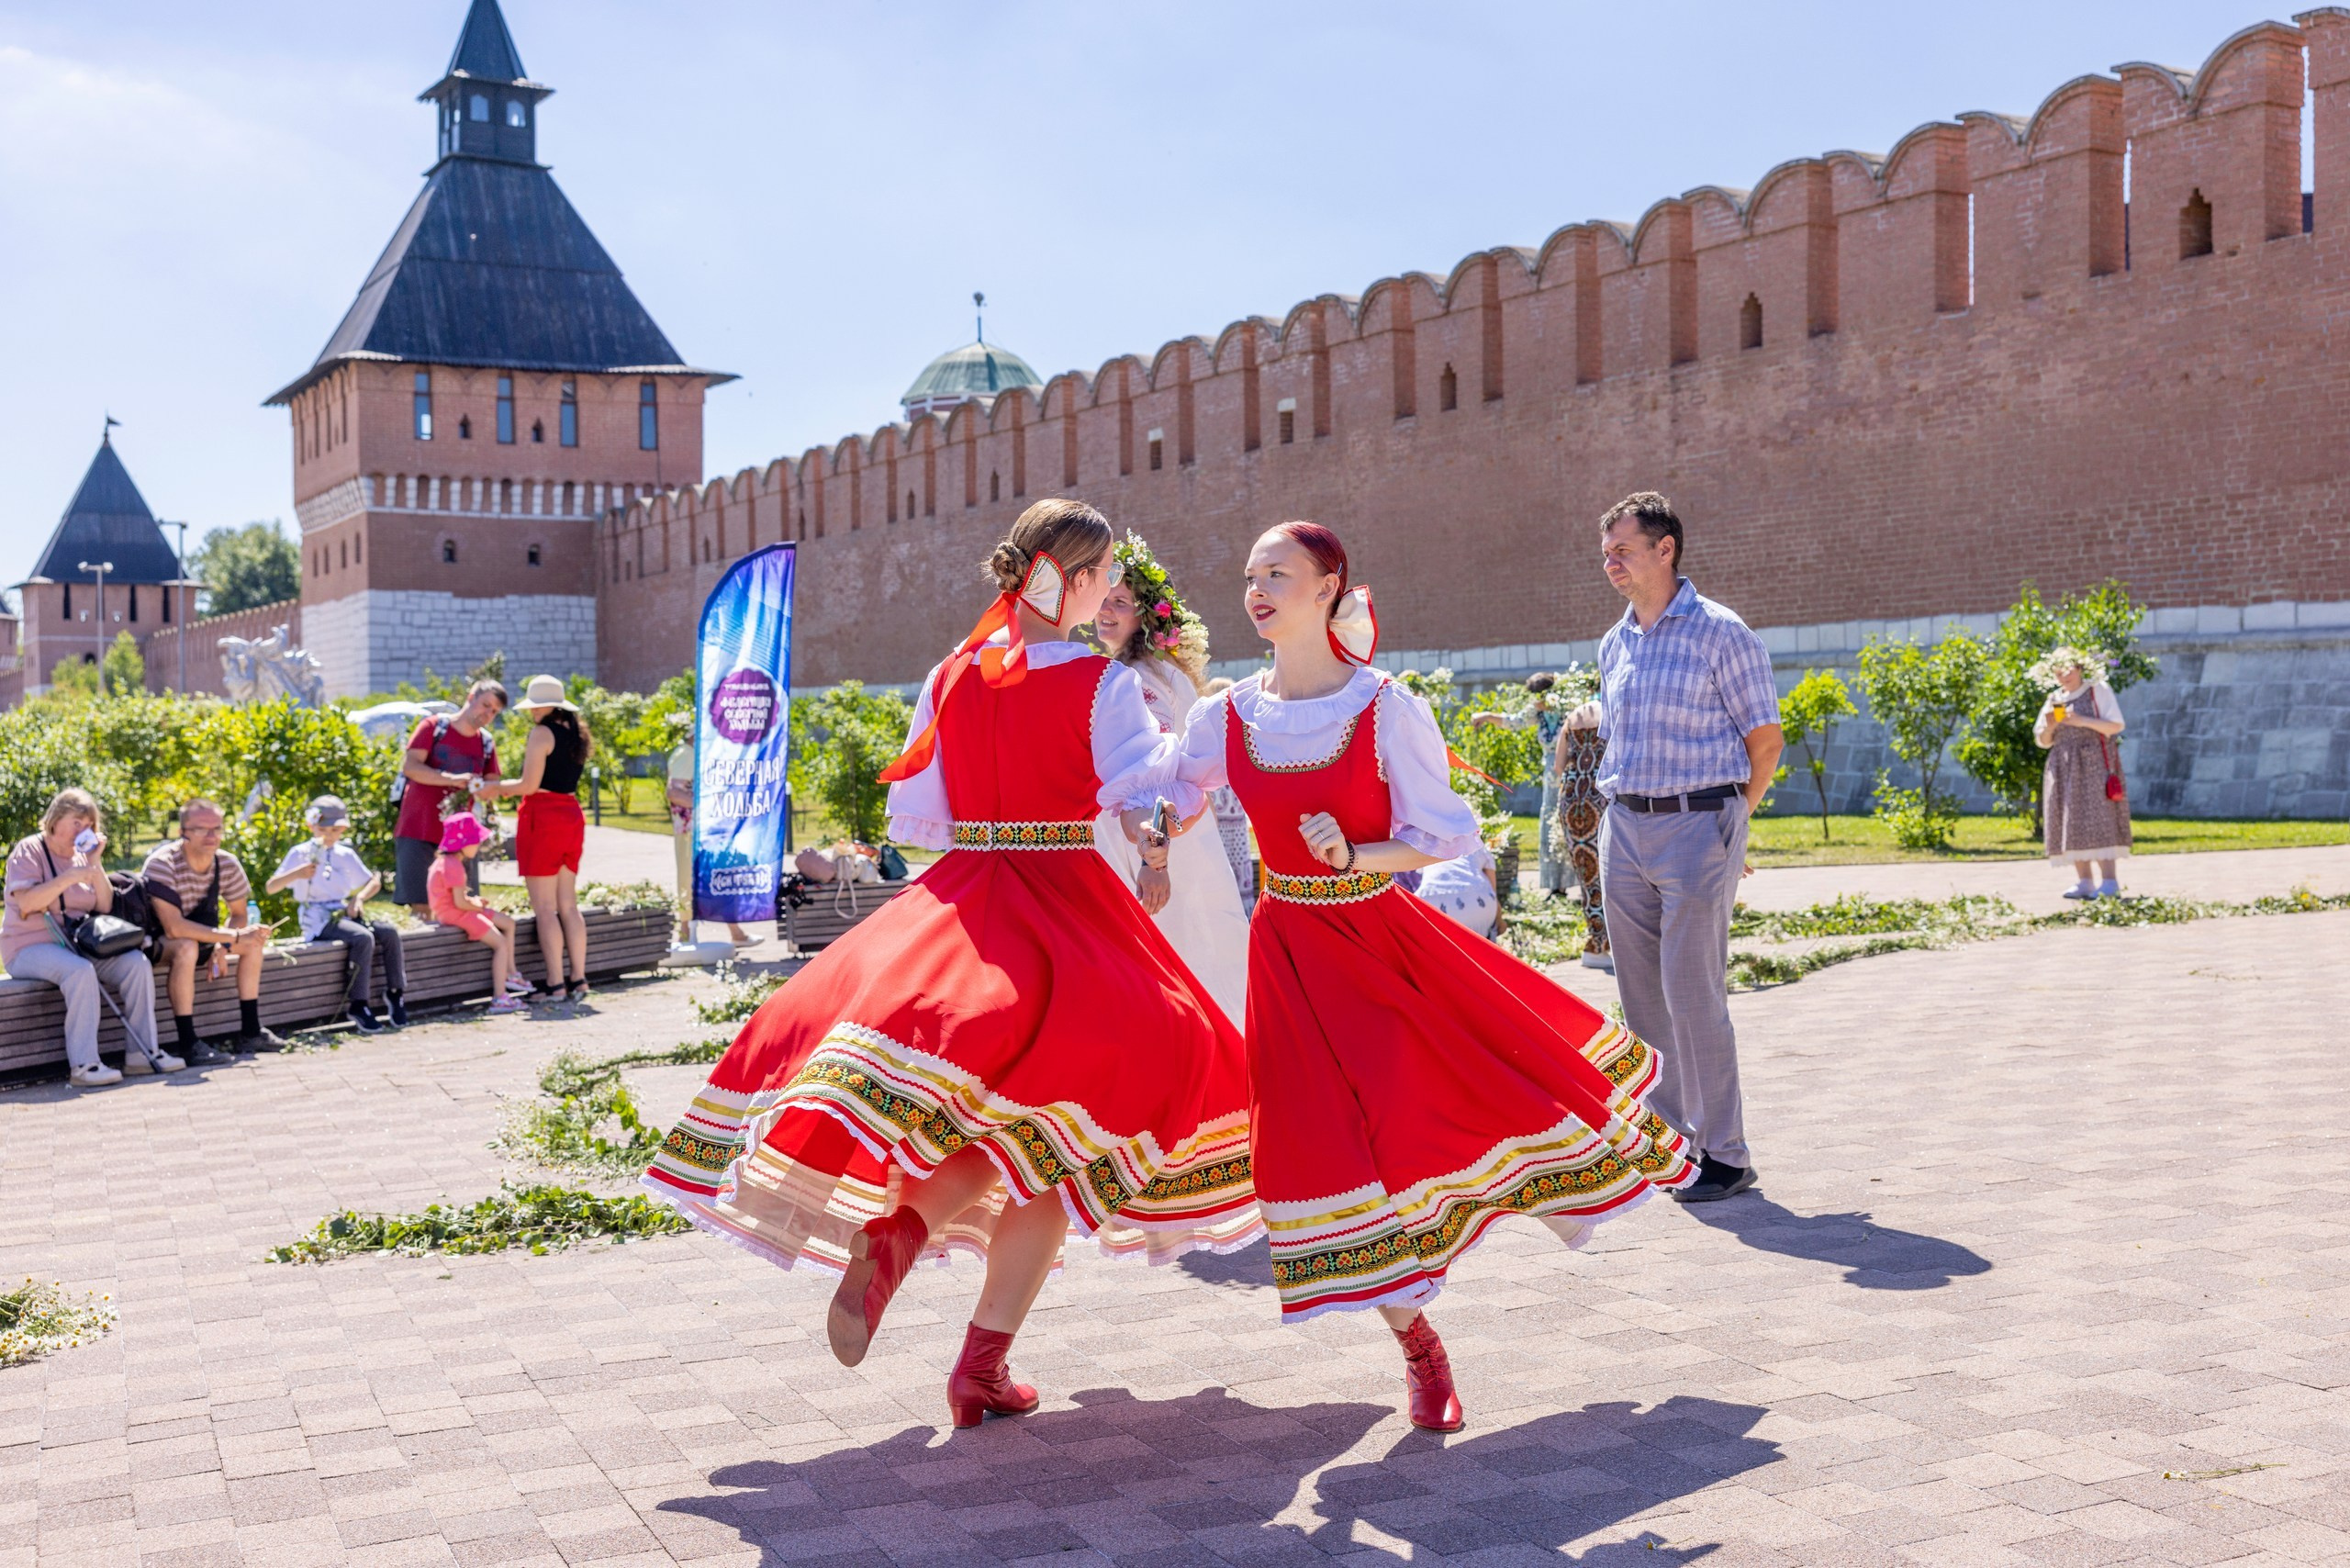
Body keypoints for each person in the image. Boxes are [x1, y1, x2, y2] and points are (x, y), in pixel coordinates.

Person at [642, 498, 1258, 1430]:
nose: (1105, 597)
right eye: (1100, 579)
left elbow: (925, 818)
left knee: (1009, 1124)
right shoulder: (1101, 682)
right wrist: (1169, 819)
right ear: (1069, 579)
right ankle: (979, 1361)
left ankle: (905, 1238)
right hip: (1066, 904)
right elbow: (1143, 794)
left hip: (963, 905)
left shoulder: (952, 674)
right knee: (1094, 1115)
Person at [1170, 521, 1695, 1432]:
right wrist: (1145, 822)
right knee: (1321, 1148)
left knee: (1418, 1112)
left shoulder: (1383, 706)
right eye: (1251, 575)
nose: (1257, 589)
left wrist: (1359, 852)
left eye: (1278, 574)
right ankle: (1419, 1346)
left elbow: (1445, 835)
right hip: (1285, 954)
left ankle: (1490, 1225)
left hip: (1375, 943)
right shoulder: (1225, 716)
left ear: (1328, 588)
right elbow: (1173, 795)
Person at [1593, 492, 1783, 1204]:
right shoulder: (1614, 643)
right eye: (1606, 553)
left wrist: (1730, 827)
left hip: (1697, 824)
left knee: (1693, 993)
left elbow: (1766, 742)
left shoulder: (1721, 633)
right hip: (1624, 828)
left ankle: (1726, 1155)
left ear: (1664, 548)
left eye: (1623, 550)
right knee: (1641, 997)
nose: (1611, 563)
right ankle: (1671, 1143)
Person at [1086, 532, 1249, 1024]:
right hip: (1160, 834)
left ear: (1145, 617)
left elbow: (1154, 775)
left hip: (1156, 840)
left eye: (1120, 603)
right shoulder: (1144, 671)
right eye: (1103, 599)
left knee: (1175, 957)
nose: (1107, 610)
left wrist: (1151, 859)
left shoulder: (1139, 679)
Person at [3, 789, 177, 1088]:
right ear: (56, 820)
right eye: (77, 823)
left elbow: (105, 905)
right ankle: (84, 1065)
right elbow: (28, 903)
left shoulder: (83, 858)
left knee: (135, 964)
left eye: (89, 825)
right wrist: (69, 877)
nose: (83, 830)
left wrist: (94, 864)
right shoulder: (30, 850)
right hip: (28, 947)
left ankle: (142, 1054)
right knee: (79, 971)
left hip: (77, 945)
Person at [477, 676, 597, 1002]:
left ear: (549, 707)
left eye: (535, 706)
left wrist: (494, 788)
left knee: (545, 908)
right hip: (571, 815)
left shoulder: (542, 733)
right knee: (568, 905)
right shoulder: (577, 733)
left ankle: (556, 984)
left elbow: (529, 785)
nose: (532, 712)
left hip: (543, 817)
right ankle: (579, 979)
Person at [145, 798, 284, 1058]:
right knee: (187, 947)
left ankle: (251, 1031)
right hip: (159, 943)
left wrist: (224, 946)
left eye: (217, 828)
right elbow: (173, 928)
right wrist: (233, 935)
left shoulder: (226, 863)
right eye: (201, 829)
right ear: (183, 832)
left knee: (254, 942)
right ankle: (188, 1043)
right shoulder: (162, 863)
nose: (211, 836)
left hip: (206, 938)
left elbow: (239, 914)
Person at [265, 795, 407, 1032]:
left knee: (388, 932)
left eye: (334, 830)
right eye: (323, 830)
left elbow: (373, 881)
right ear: (311, 826)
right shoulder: (300, 852)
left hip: (342, 910)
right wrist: (297, 874)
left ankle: (395, 992)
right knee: (362, 937)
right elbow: (271, 887)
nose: (328, 835)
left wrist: (358, 898)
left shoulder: (344, 853)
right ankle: (358, 1004)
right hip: (316, 917)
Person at [393, 679, 505, 917]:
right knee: (421, 907)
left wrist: (483, 789)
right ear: (471, 697)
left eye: (494, 711)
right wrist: (452, 779)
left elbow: (492, 785)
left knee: (462, 905)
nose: (488, 714)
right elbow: (411, 767)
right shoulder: (434, 727)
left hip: (461, 839)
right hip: (419, 827)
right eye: (486, 705)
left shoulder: (486, 742)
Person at [2032, 646, 2132, 898]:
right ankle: (2084, 881)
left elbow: (2116, 725)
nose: (2063, 677)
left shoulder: (2097, 690)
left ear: (2079, 668)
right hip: (2063, 764)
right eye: (2058, 672)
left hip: (2093, 762)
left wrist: (2081, 721)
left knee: (2099, 815)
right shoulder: (2055, 698)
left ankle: (2109, 881)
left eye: (2068, 671)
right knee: (2071, 818)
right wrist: (2050, 726)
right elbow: (2043, 741)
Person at [1470, 672, 1569, 896]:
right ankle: (1556, 886)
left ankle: (1581, 884)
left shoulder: (1567, 711)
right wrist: (1487, 716)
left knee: (1570, 825)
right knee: (1550, 826)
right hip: (1551, 779)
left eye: (1538, 697)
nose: (1535, 702)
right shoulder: (1538, 713)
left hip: (1570, 776)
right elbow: (1513, 722)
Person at [429, 813, 527, 1013]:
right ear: (463, 843)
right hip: (457, 914)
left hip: (455, 910)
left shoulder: (446, 862)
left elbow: (455, 897)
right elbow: (460, 903)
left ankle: (512, 973)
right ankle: (500, 997)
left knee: (508, 922)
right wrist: (478, 906)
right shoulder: (453, 866)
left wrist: (475, 904)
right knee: (501, 944)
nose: (478, 845)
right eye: (475, 841)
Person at [666, 721, 751, 946]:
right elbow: (674, 792)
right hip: (693, 833)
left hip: (700, 832)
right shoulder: (686, 755)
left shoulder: (688, 754)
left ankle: (732, 931)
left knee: (713, 877)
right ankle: (688, 933)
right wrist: (709, 807)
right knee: (695, 879)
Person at [1407, 844, 1502, 938]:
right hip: (1476, 899)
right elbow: (1492, 885)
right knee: (1480, 943)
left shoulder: (1429, 845)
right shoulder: (1476, 843)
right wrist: (1499, 920)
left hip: (1430, 899)